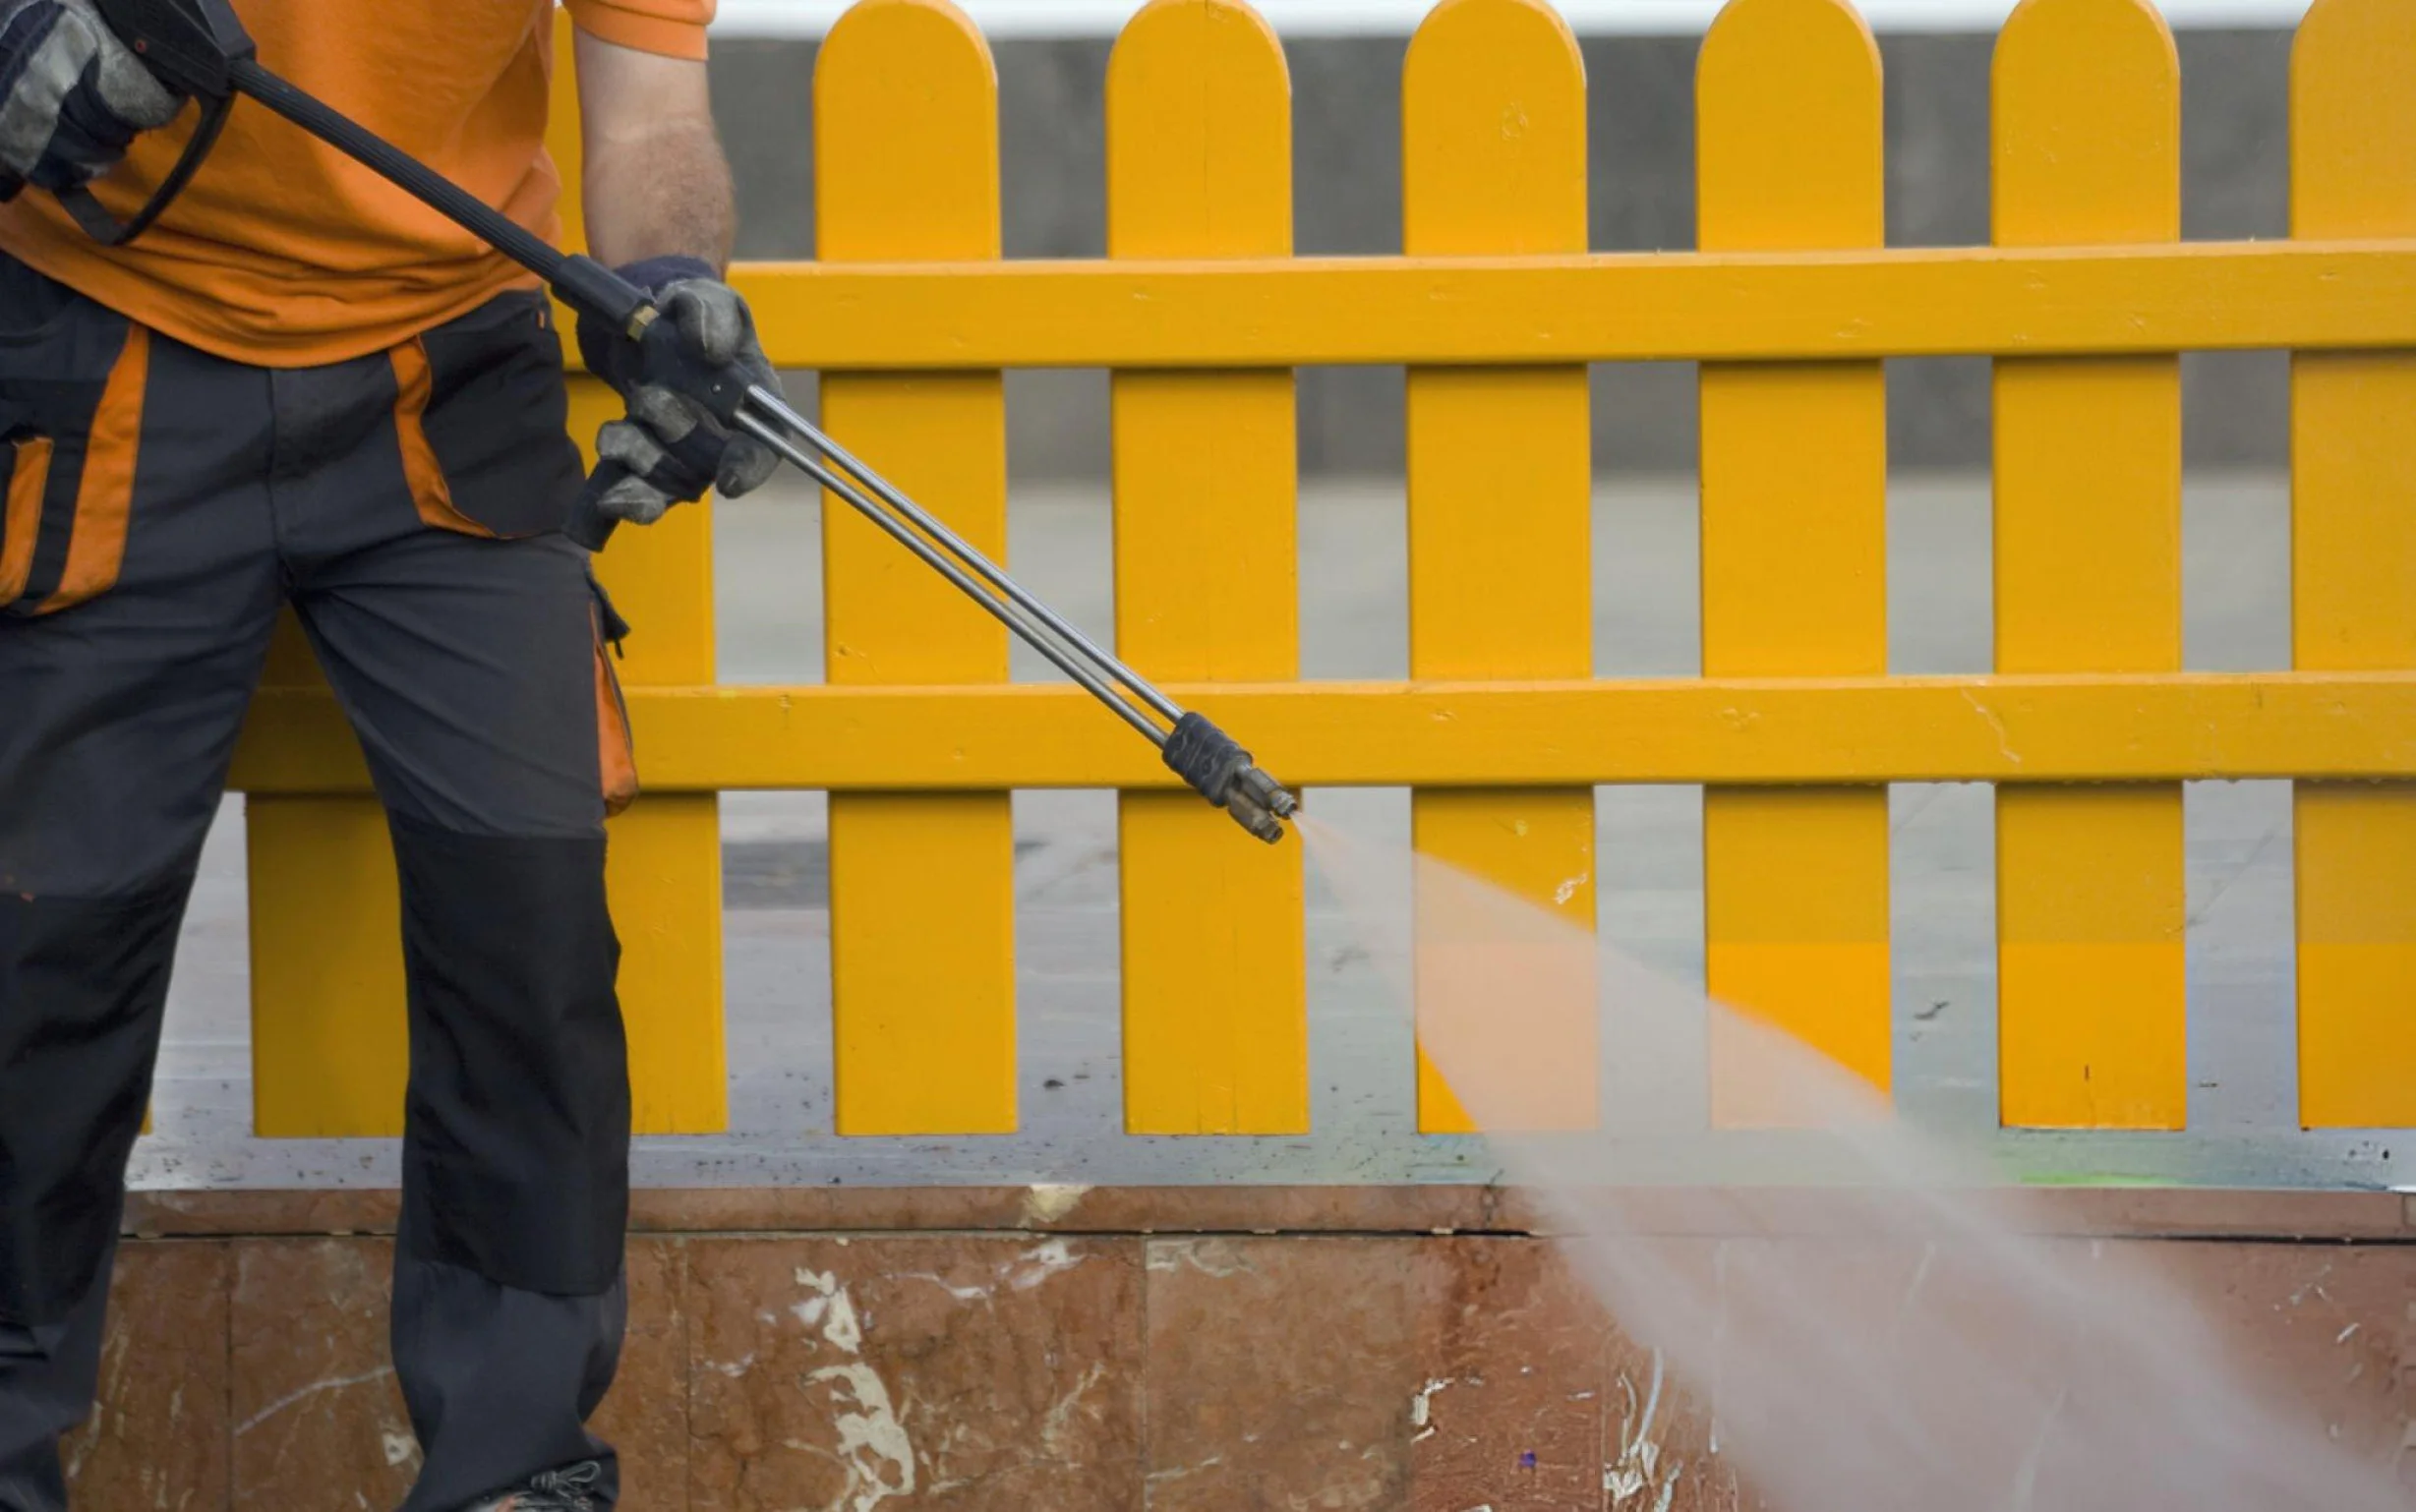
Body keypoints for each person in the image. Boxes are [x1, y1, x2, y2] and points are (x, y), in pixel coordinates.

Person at [0, 2, 778, 1507]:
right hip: (107, 344)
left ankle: (516, 1464)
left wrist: (676, 284)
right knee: (40, 948)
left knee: (530, 940)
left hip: (449, 369)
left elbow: (648, 123)